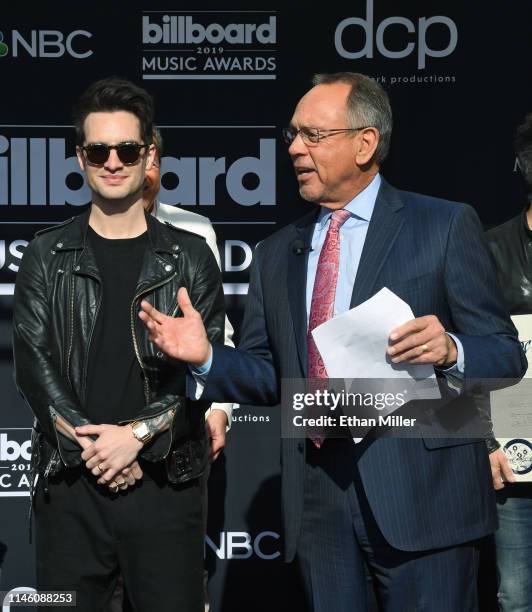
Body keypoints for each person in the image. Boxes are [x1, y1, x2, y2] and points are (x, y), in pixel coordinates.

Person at [139, 72, 526, 611]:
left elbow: (506, 354)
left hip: (424, 495)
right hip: (318, 502)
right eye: (292, 135)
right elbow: (265, 371)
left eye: (313, 136)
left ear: (366, 143)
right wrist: (206, 356)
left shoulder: (443, 225)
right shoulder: (276, 252)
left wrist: (453, 349)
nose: (295, 148)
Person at [12, 77, 225, 612]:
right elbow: (32, 366)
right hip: (70, 491)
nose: (113, 161)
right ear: (80, 156)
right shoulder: (46, 253)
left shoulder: (191, 255)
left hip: (165, 487)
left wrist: (136, 436)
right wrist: (98, 448)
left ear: (149, 153)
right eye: (98, 149)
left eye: (127, 149)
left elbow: (206, 371)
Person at [144, 127, 235, 457]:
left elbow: (215, 330)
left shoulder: (194, 231)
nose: (140, 173)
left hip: (179, 425)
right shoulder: (68, 242)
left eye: (150, 161)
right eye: (130, 157)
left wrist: (219, 409)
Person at [485, 113, 532, 611]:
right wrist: (485, 441)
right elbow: (461, 357)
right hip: (518, 463)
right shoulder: (492, 250)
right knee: (516, 598)